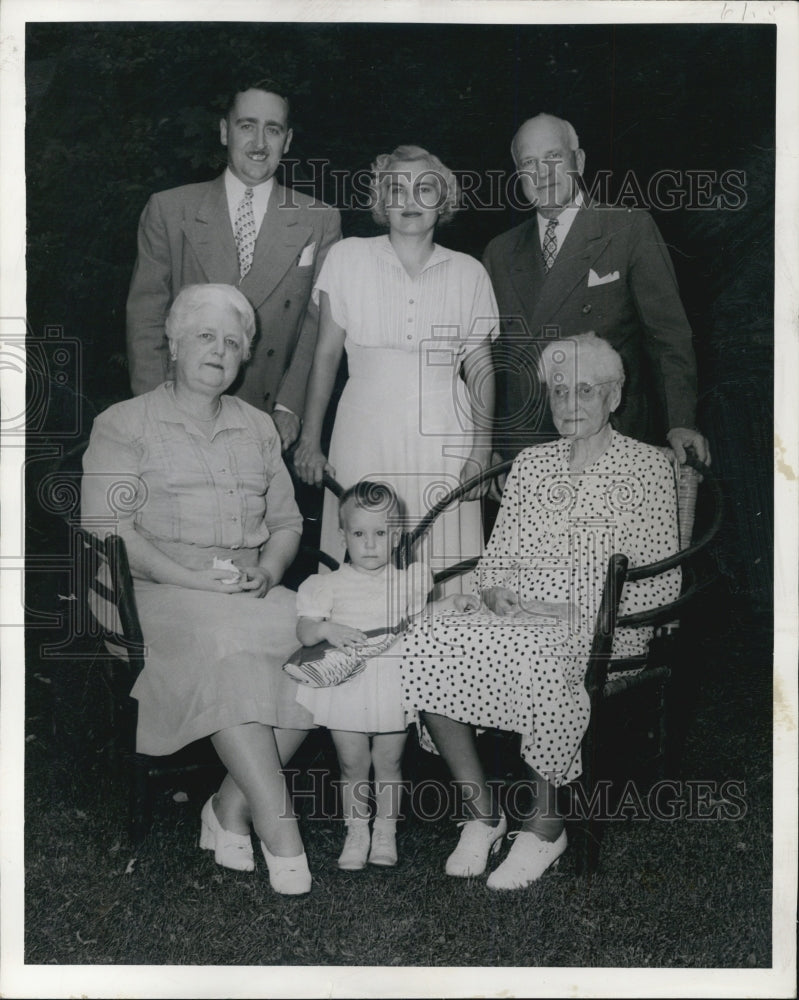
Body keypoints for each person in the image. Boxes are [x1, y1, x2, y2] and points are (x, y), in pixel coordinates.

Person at [400, 332, 682, 890]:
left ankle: (545, 827)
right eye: (558, 392)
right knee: (425, 637)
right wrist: (493, 593)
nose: (570, 404)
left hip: (602, 624)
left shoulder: (649, 468)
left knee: (541, 646)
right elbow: (498, 558)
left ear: (614, 397)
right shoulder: (531, 465)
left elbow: (660, 584)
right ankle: (482, 814)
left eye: (585, 390)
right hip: (518, 615)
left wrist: (566, 611)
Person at [83, 284, 315, 895]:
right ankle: (279, 825)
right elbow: (109, 530)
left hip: (244, 587)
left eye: (233, 342)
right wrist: (190, 579)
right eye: (206, 336)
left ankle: (229, 806)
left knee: (330, 645)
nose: (220, 350)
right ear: (175, 341)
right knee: (226, 643)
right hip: (151, 591)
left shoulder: (258, 427)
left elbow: (288, 523)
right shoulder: (124, 424)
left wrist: (267, 571)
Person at [292, 145, 498, 584]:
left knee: (443, 565)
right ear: (382, 201)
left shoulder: (469, 272)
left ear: (442, 202)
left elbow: (481, 370)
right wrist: (311, 437)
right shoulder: (347, 257)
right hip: (363, 430)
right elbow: (326, 354)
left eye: (424, 189)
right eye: (397, 189)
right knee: (361, 560)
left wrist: (480, 451)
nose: (409, 200)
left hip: (444, 437)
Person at [483, 112, 710, 466]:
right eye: (529, 162)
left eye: (554, 157)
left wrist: (680, 422)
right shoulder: (499, 252)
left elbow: (668, 337)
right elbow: (494, 360)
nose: (542, 173)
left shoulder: (629, 228)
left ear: (580, 161)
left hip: (614, 439)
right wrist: (493, 445)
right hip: (527, 453)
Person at [126, 80, 342, 451]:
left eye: (272, 129)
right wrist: (156, 407)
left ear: (287, 141)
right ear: (225, 132)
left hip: (269, 422)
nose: (259, 143)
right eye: (247, 126)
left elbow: (317, 323)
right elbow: (146, 319)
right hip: (182, 412)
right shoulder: (169, 209)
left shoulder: (319, 219)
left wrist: (290, 406)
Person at [292, 482, 472, 870]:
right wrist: (327, 630)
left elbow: (416, 622)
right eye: (359, 534)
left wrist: (450, 603)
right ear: (343, 535)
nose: (370, 544)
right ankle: (356, 831)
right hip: (347, 686)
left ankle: (385, 831)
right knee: (352, 763)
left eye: (380, 534)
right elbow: (305, 631)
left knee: (389, 762)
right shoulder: (328, 584)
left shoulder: (407, 581)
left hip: (391, 683)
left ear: (395, 536)